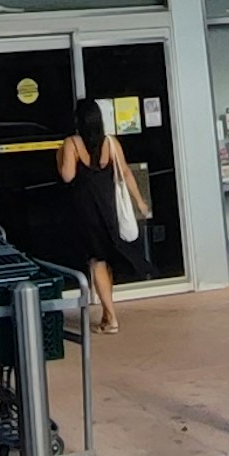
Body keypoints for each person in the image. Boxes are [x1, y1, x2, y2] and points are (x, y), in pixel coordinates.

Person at [53, 99, 152, 332]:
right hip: (109, 210)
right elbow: (126, 172)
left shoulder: (72, 144)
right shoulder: (111, 142)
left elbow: (67, 176)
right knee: (107, 262)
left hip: (86, 211)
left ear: (78, 120)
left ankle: (112, 318)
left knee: (96, 261)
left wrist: (59, 157)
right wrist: (139, 201)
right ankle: (107, 316)